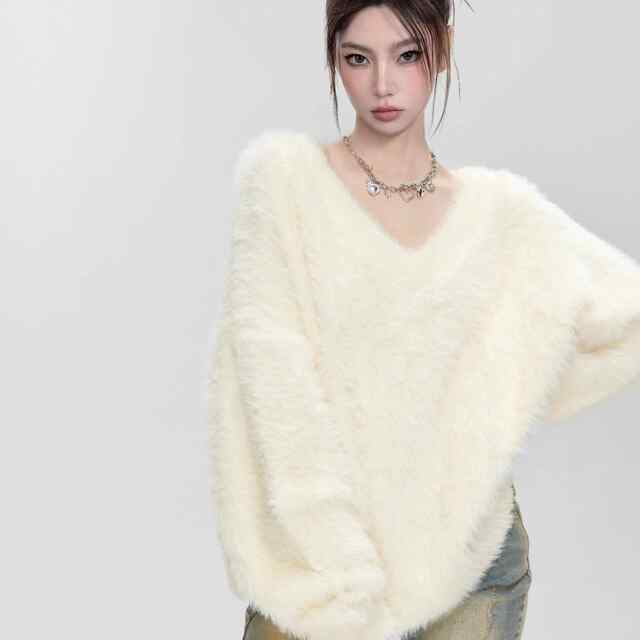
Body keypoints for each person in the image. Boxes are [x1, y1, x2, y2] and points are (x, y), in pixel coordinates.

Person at [207, 2, 640, 640]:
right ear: (334, 60)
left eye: (406, 54)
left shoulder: (499, 216)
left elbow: (623, 314)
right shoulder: (285, 187)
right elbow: (274, 394)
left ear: (443, 49)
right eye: (359, 58)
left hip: (470, 568)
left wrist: (502, 396)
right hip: (318, 580)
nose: (383, 84)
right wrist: (339, 573)